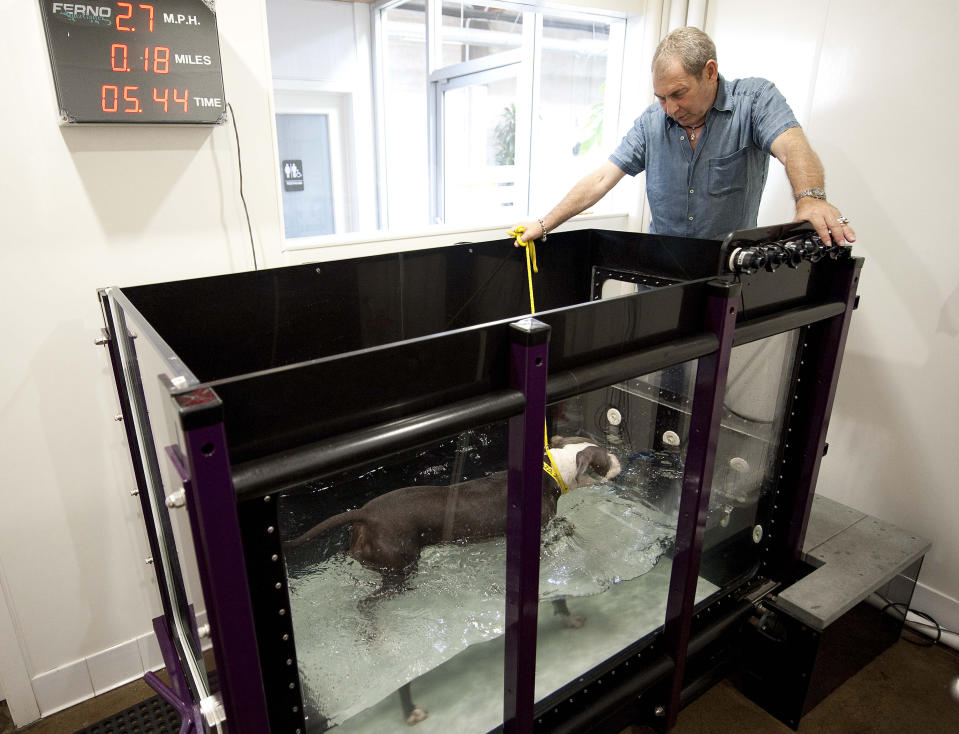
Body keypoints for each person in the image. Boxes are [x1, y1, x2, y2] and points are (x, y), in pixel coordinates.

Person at [512, 26, 855, 248]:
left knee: (719, 362)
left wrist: (810, 198)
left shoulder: (754, 101)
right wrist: (544, 224)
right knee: (666, 362)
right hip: (663, 275)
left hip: (726, 276)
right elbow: (603, 177)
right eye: (661, 98)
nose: (670, 108)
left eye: (678, 94)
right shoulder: (651, 123)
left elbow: (791, 145)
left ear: (709, 72)